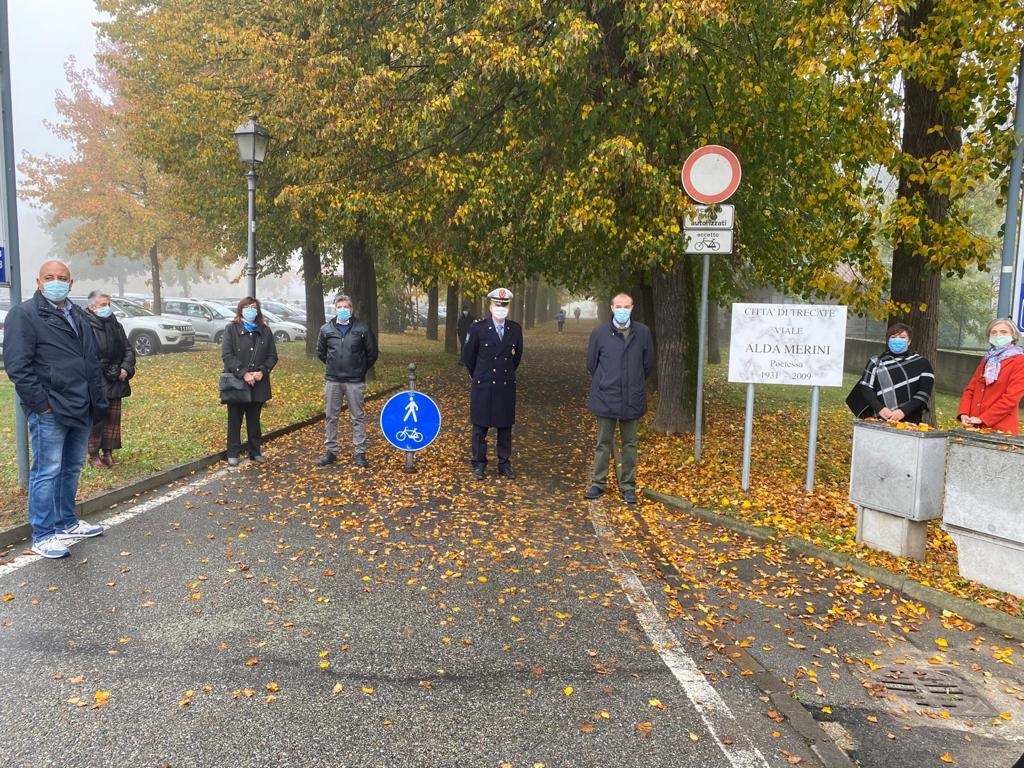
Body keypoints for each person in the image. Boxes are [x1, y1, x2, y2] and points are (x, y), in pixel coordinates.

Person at [3, 260, 108, 558]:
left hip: (81, 404)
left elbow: (91, 360)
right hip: (51, 408)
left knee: (71, 467)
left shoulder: (78, 314)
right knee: (47, 471)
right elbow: (18, 366)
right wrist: (41, 405)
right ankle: (43, 533)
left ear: (71, 283)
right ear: (38, 282)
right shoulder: (25, 314)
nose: (56, 282)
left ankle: (66, 522)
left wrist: (96, 399)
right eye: (49, 277)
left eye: (62, 278)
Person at [583, 293, 653, 505]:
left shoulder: (643, 332)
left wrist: (633, 382)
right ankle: (598, 483)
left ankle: (628, 486)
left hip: (632, 398)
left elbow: (647, 364)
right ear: (612, 308)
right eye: (619, 306)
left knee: (630, 443)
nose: (623, 310)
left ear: (632, 308)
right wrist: (607, 381)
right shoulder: (599, 333)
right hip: (606, 396)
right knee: (603, 443)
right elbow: (591, 364)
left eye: (626, 306)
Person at [463, 287, 523, 480]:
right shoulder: (478, 328)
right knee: (480, 427)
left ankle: (504, 464)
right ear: (490, 307)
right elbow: (468, 357)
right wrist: (479, 375)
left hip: (505, 386)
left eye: (504, 305)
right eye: (497, 304)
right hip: (484, 384)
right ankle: (479, 464)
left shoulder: (515, 329)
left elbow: (516, 358)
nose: (500, 308)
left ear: (508, 308)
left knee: (505, 427)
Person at [316, 294, 379, 467]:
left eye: (346, 307)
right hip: (333, 380)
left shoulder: (362, 328)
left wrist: (360, 368)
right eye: (339, 307)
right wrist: (333, 365)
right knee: (331, 416)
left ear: (351, 309)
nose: (343, 310)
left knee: (357, 417)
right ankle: (331, 451)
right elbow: (321, 352)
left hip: (355, 381)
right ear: (335, 308)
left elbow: (372, 353)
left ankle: (360, 452)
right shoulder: (326, 329)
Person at [221, 297, 278, 466]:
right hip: (237, 382)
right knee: (234, 419)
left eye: (253, 307)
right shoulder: (231, 329)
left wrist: (262, 371)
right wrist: (243, 373)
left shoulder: (265, 330)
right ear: (240, 310)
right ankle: (233, 452)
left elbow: (272, 356)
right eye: (246, 307)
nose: (250, 310)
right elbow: (227, 355)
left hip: (258, 383)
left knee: (254, 420)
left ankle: (255, 451)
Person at [85, 290, 136, 467]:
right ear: (92, 306)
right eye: (103, 304)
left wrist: (125, 368)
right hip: (97, 380)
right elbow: (90, 354)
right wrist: (111, 370)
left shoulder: (115, 325)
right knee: (97, 419)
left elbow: (128, 349)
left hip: (116, 379)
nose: (107, 308)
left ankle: (108, 452)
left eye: (108, 304)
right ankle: (93, 454)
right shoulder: (86, 325)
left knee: (113, 419)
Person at [845, 322, 934, 424]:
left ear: (909, 341)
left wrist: (903, 411)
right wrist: (881, 409)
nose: (897, 340)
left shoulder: (922, 363)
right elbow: (866, 388)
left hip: (910, 421)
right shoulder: (875, 362)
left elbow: (924, 392)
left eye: (902, 337)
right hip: (879, 419)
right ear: (888, 341)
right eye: (893, 337)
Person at [958, 318, 1024, 434]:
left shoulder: (1020, 360)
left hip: (1001, 429)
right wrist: (964, 413)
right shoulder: (988, 359)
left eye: (1004, 332)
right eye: (994, 332)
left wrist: (983, 418)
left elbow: (1011, 398)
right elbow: (971, 389)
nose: (998, 335)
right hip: (974, 425)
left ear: (1013, 336)